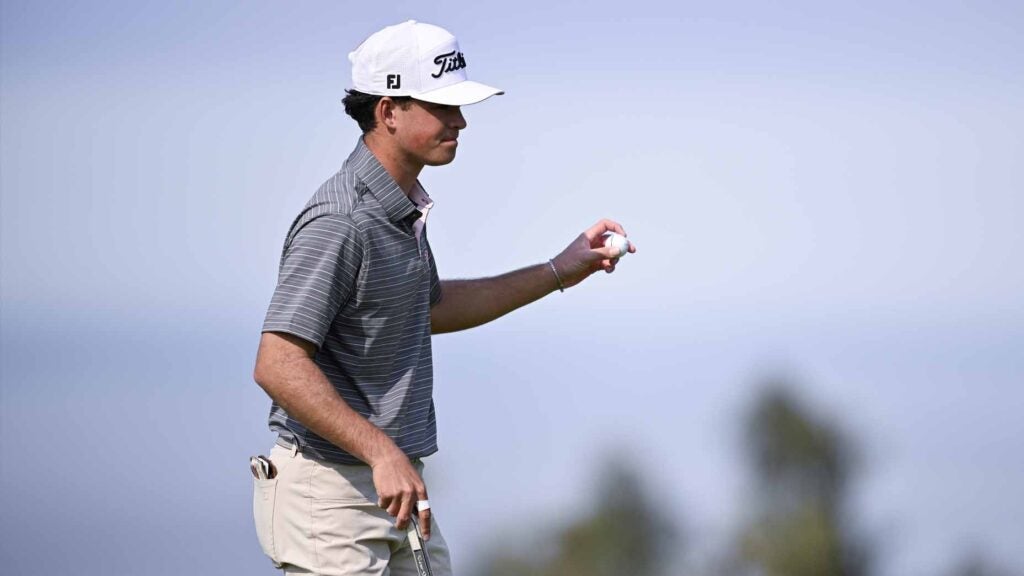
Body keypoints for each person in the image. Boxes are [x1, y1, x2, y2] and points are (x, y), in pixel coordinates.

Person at [251, 20, 636, 576]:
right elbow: (277, 362)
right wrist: (382, 452)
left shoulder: (399, 205)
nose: (460, 120)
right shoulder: (341, 220)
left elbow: (427, 309)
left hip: (393, 488)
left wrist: (558, 269)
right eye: (442, 106)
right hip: (329, 496)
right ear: (388, 112)